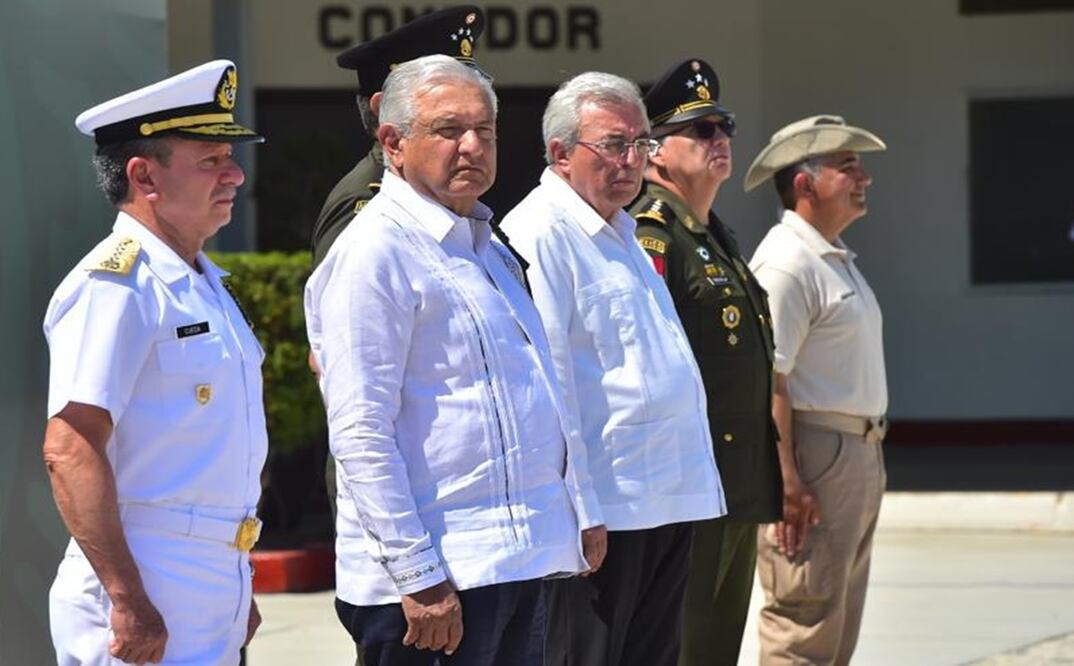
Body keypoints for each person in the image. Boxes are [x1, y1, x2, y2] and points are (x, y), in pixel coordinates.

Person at [304, 55, 606, 666]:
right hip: (437, 581)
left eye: (485, 130)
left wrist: (582, 508)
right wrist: (417, 575)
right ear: (393, 142)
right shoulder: (373, 253)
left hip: (518, 561)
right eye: (448, 130)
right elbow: (360, 431)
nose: (472, 146)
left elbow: (542, 383)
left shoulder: (488, 246)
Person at [43, 60, 267, 665]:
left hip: (206, 580)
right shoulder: (116, 285)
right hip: (145, 582)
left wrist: (232, 571)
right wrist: (126, 597)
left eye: (231, 158)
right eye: (211, 161)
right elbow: (70, 447)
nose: (235, 176)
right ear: (144, 176)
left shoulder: (202, 282)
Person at [501, 72, 726, 666]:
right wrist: (581, 508)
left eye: (642, 144)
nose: (631, 161)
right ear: (559, 153)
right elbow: (550, 385)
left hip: (663, 496)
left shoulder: (621, 229)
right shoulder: (541, 234)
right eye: (613, 144)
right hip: (608, 508)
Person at [629, 58, 783, 666]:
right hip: (690, 486)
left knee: (718, 646)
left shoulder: (715, 234)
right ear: (657, 153)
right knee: (682, 645)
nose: (720, 141)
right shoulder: (653, 232)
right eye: (701, 131)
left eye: (724, 128)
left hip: (735, 481)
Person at [744, 115, 889, 666]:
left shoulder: (830, 255)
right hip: (814, 452)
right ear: (804, 184)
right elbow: (769, 379)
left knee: (837, 615)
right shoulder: (787, 263)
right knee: (804, 617)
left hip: (854, 451)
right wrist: (787, 481)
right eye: (847, 167)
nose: (863, 178)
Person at [311, 5, 487, 268]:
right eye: (447, 125)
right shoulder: (365, 204)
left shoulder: (450, 194)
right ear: (384, 109)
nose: (471, 145)